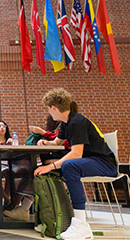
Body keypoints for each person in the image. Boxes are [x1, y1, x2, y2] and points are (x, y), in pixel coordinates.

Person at [34, 88, 117, 240]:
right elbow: (57, 142)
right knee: (57, 165)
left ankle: (80, 224)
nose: (49, 112)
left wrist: (51, 166)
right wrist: (46, 142)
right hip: (91, 160)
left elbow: (76, 154)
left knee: (68, 165)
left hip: (105, 164)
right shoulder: (66, 123)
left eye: (48, 108)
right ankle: (52, 218)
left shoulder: (77, 122)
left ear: (53, 107)